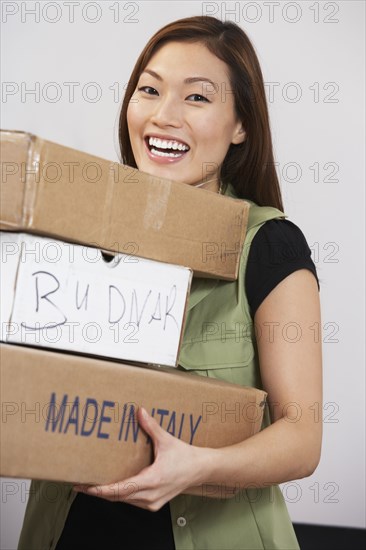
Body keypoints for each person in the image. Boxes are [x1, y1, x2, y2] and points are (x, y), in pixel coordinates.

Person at [18, 16, 322, 550]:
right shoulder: (77, 230)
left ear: (241, 125)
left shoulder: (269, 246)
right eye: (149, 89)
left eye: (197, 98)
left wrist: (197, 467)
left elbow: (303, 437)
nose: (163, 116)